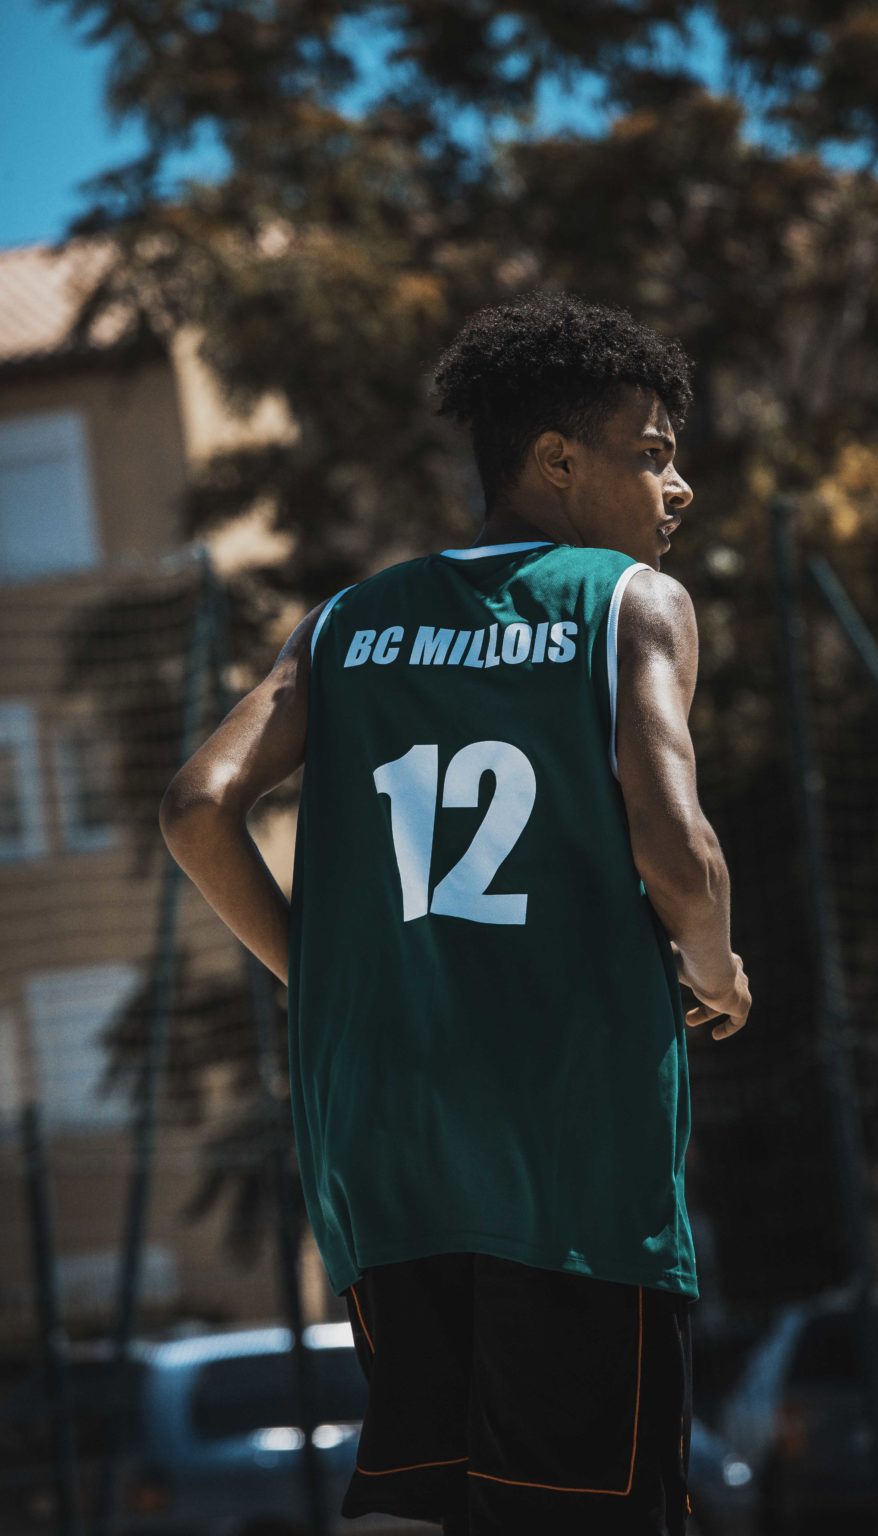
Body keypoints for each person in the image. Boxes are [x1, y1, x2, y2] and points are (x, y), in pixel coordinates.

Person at [160, 289, 751, 1536]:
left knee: (438, 1504)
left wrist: (320, 980)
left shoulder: (344, 624)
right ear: (557, 461)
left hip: (383, 1153)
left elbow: (197, 805)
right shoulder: (625, 602)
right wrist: (714, 966)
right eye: (652, 454)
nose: (679, 486)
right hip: (567, 1153)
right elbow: (677, 847)